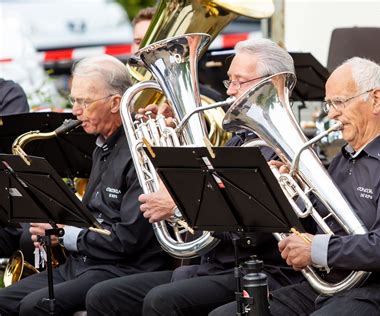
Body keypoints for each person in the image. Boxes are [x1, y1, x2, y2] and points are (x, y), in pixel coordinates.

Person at [85, 38, 306, 316]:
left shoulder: (282, 146)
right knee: (104, 296)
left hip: (258, 268)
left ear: (273, 83)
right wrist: (164, 146)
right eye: (229, 82)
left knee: (161, 301)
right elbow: (209, 191)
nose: (231, 91)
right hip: (215, 266)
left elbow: (255, 225)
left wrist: (179, 206)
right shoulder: (238, 139)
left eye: (239, 81)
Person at [212, 57, 380, 315]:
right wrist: (287, 194)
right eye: (329, 103)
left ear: (375, 100)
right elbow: (314, 226)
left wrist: (316, 249)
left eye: (339, 102)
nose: (331, 113)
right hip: (334, 287)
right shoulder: (342, 160)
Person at [0, 54, 171, 315]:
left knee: (33, 307)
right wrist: (56, 223)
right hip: (85, 263)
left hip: (120, 267)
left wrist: (63, 235)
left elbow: (127, 239)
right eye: (74, 101)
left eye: (85, 102)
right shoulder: (101, 146)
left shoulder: (139, 150)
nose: (76, 111)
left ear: (115, 103)